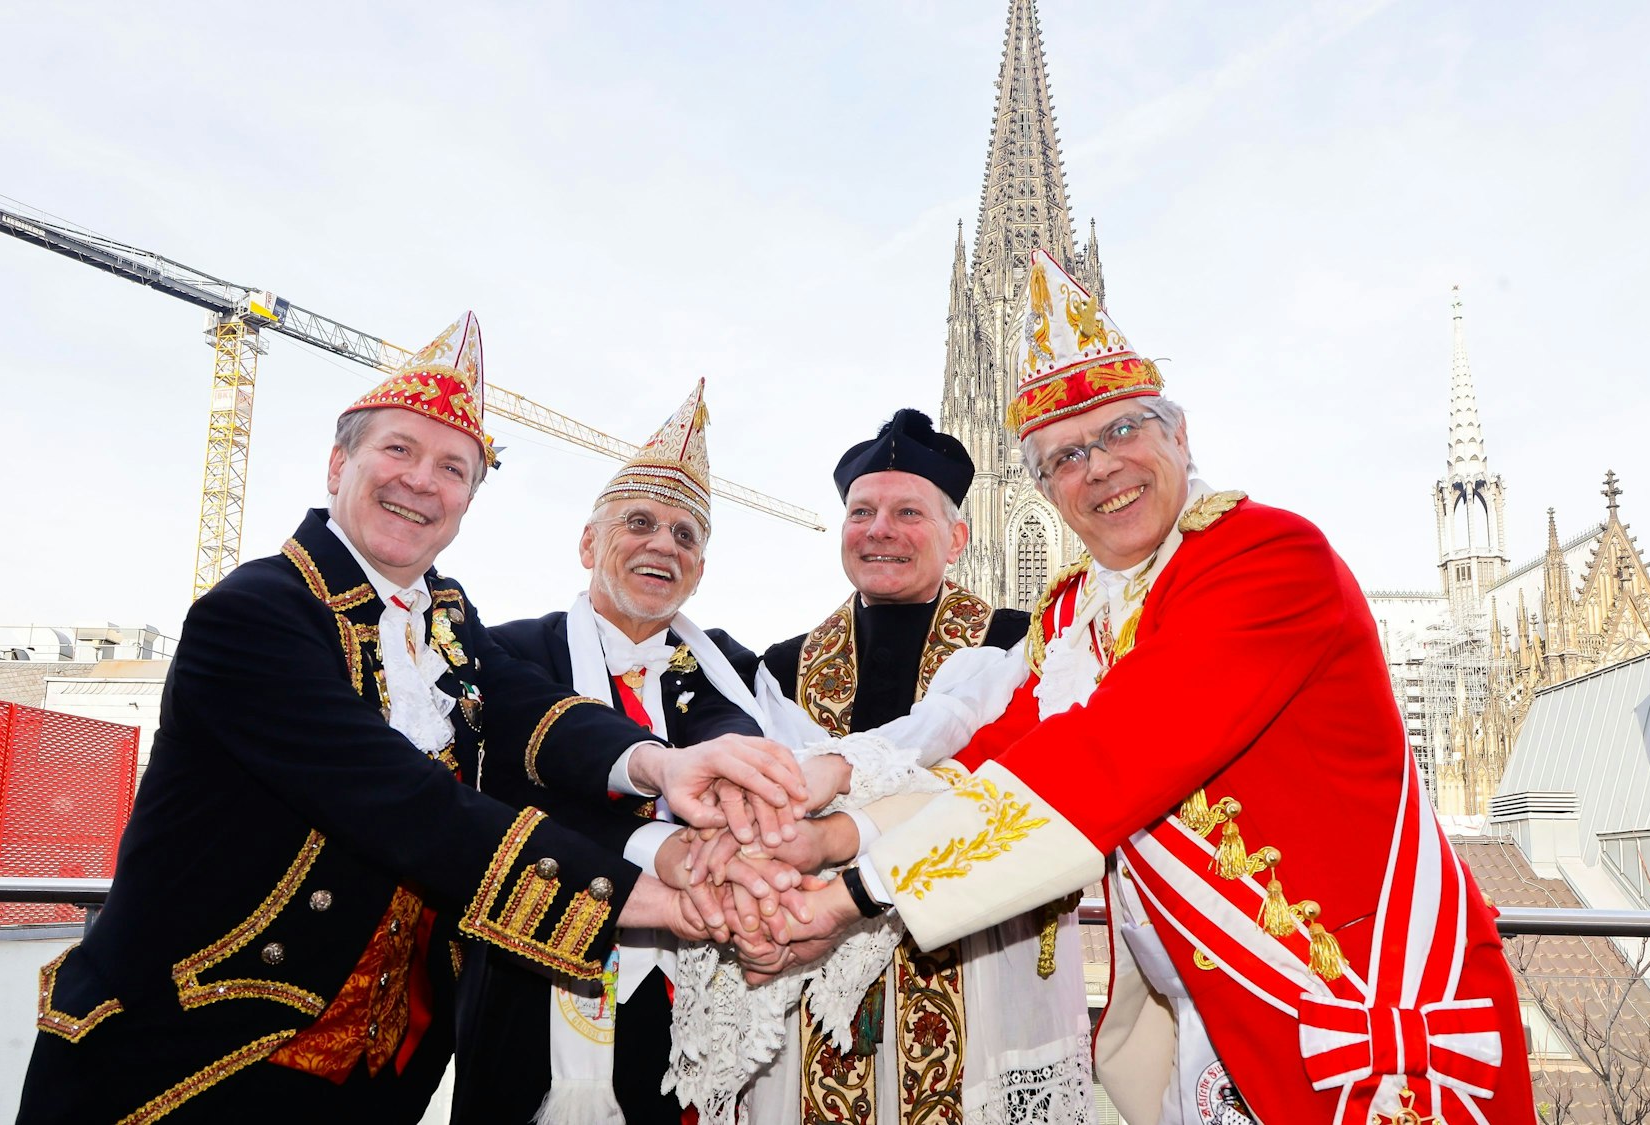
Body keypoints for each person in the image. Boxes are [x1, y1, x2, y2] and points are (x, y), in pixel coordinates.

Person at [749, 254, 1538, 1125]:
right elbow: (985, 762)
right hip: (1206, 1028)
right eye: (1064, 457)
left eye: (1122, 430)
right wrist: (826, 840)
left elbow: (1101, 761)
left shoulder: (1266, 558)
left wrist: (848, 896)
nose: (1099, 468)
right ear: (1042, 491)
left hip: (1356, 1022)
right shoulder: (1075, 611)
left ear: (1180, 434)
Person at [15, 314, 806, 1124]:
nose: (422, 481)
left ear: (468, 498)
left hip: (378, 1074)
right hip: (196, 1056)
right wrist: (653, 898)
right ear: (338, 462)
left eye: (453, 467)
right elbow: (403, 802)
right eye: (398, 450)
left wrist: (659, 766)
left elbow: (534, 711)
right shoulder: (255, 613)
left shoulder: (447, 617)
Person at [452, 380, 822, 1124]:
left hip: (694, 999)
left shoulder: (732, 673)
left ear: (701, 571)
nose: (664, 544)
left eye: (687, 536)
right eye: (641, 523)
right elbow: (509, 804)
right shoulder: (513, 651)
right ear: (589, 542)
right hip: (534, 988)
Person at [726, 409, 1094, 1124]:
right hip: (810, 981)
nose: (880, 530)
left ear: (957, 536)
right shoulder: (782, 665)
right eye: (861, 512)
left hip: (977, 967)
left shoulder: (1022, 645)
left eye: (906, 512)